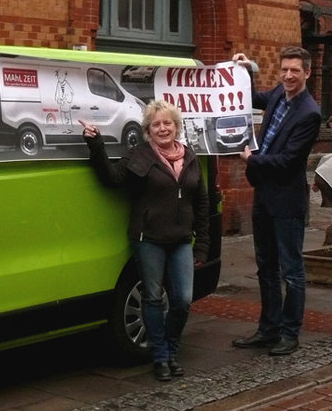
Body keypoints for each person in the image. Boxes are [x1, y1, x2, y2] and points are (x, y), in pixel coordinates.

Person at [80, 100, 209, 382]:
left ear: (176, 126)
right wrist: (96, 145)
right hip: (148, 238)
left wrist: (202, 245)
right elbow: (113, 179)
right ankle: (161, 357)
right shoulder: (141, 155)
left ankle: (172, 350)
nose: (162, 129)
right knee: (152, 297)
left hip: (181, 240)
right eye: (156, 125)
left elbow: (201, 202)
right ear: (148, 130)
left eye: (167, 123)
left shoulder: (190, 157)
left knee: (183, 300)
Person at [231, 47, 322, 356]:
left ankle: (289, 333)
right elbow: (253, 98)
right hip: (264, 196)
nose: (288, 75)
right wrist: (244, 71)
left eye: (295, 70)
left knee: (291, 271)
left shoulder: (310, 112)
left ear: (307, 73)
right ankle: (268, 329)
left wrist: (251, 160)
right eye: (284, 69)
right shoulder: (278, 96)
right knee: (265, 267)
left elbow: (287, 161)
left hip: (287, 201)